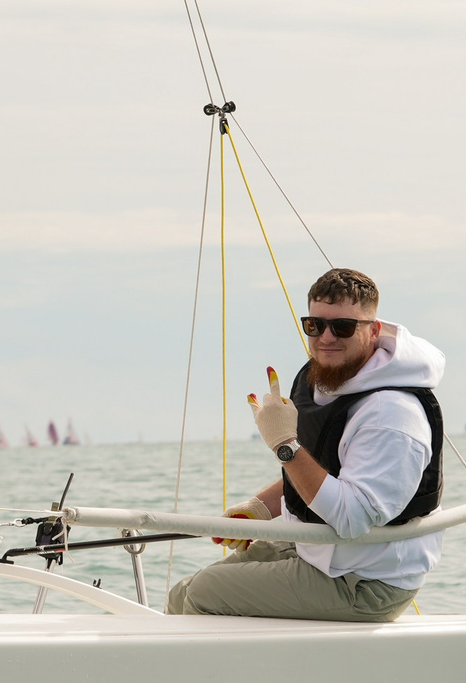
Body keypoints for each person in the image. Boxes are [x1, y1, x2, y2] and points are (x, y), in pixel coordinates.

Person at [167, 267, 446, 622]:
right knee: (182, 593)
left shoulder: (391, 414)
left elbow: (352, 516)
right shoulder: (331, 382)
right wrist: (260, 508)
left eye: (342, 326)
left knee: (202, 594)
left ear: (373, 330)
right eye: (314, 325)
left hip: (365, 582)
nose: (326, 337)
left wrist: (284, 444)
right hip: (322, 551)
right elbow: (329, 470)